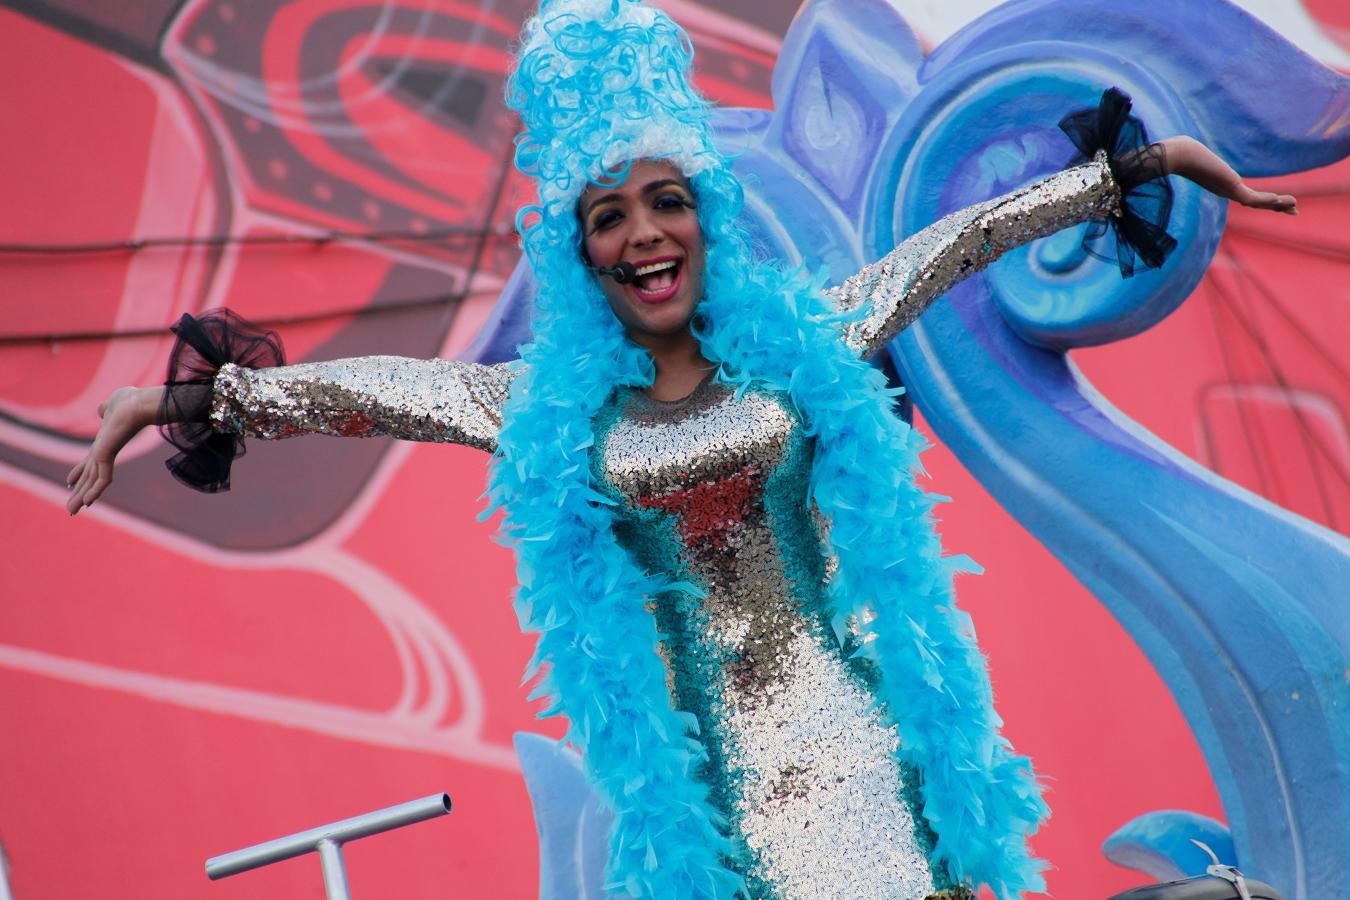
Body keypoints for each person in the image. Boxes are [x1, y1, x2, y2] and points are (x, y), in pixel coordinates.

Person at [65, 1, 1295, 896]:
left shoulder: (806, 341)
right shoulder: (540, 409)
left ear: (704, 213)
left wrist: (1122, 175)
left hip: (870, 766)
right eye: (609, 214)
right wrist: (194, 403)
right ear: (579, 249)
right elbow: (377, 391)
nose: (644, 234)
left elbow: (952, 246)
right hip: (702, 818)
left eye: (665, 200)